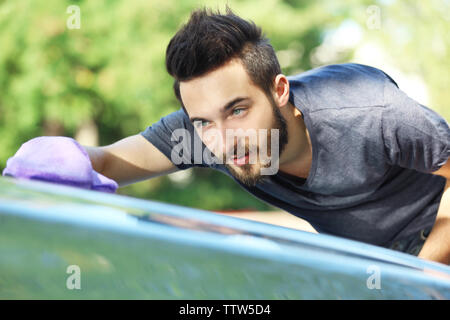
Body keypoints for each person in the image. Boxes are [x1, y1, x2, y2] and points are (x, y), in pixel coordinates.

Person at [3, 8, 450, 264]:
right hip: (378, 270)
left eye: (237, 110)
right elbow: (104, 162)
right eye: (203, 122)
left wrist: (423, 271)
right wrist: (54, 159)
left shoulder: (370, 111)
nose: (224, 140)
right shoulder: (200, 136)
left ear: (278, 90)